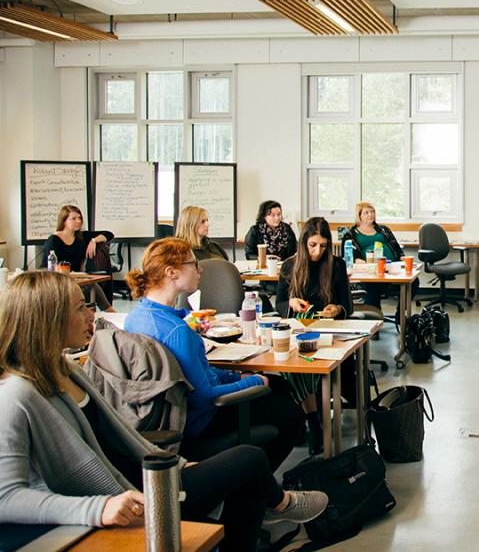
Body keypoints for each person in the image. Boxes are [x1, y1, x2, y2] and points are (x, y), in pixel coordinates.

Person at [0, 271, 327, 551]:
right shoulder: (16, 394)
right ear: (48, 320)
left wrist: (180, 463)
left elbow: (116, 438)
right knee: (250, 459)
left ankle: (255, 522)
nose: (91, 314)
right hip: (126, 498)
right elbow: (6, 498)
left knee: (248, 472)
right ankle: (281, 503)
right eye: (80, 307)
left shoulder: (65, 367)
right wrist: (98, 508)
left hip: (142, 478)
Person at [124, 238, 305, 471]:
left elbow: (197, 373)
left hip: (162, 413)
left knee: (280, 385)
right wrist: (252, 380)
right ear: (171, 272)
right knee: (291, 416)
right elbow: (205, 397)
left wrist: (233, 377)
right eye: (193, 264)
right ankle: (250, 485)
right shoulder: (179, 331)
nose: (199, 269)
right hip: (198, 419)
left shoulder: (136, 316)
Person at [276, 217, 354, 454]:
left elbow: (347, 306)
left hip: (330, 331)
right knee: (293, 365)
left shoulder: (337, 265)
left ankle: (314, 421)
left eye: (322, 245)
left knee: (316, 365)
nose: (317, 251)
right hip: (300, 330)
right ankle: (313, 420)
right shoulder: (290, 266)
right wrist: (290, 302)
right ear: (303, 243)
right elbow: (279, 303)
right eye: (312, 245)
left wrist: (337, 309)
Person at [337, 201, 418, 313]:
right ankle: (375, 319)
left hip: (391, 268)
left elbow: (396, 247)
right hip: (370, 271)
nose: (370, 214)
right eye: (366, 212)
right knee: (372, 288)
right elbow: (348, 256)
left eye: (372, 212)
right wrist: (360, 262)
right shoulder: (350, 234)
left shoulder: (384, 230)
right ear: (359, 215)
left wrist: (402, 258)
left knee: (414, 282)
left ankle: (401, 313)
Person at [40, 204, 115, 312]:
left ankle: (106, 311)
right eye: (73, 219)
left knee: (91, 283)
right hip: (58, 278)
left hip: (76, 277)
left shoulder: (81, 236)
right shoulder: (54, 239)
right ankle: (109, 311)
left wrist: (94, 240)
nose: (78, 221)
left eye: (79, 218)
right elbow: (48, 267)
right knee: (90, 285)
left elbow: (109, 234)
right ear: (64, 221)